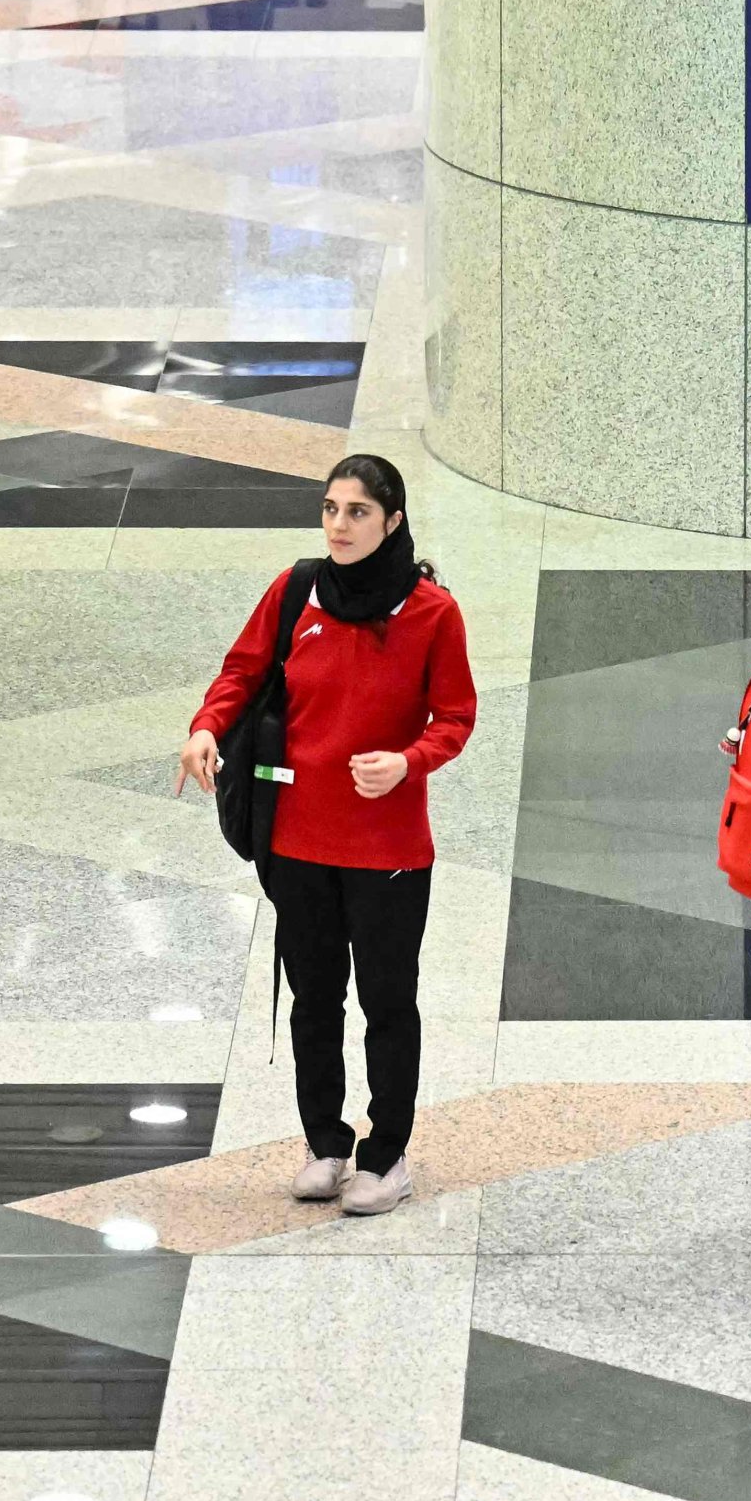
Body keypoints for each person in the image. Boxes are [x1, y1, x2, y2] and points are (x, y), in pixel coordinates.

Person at [181, 452, 477, 1218]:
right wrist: (206, 726)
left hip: (387, 850)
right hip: (297, 841)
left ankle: (387, 1156)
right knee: (314, 1000)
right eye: (331, 509)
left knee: (387, 1001)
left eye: (358, 513)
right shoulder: (296, 590)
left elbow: (456, 718)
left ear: (393, 522)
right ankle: (325, 1145)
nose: (339, 526)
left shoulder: (431, 614)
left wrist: (407, 762)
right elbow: (242, 671)